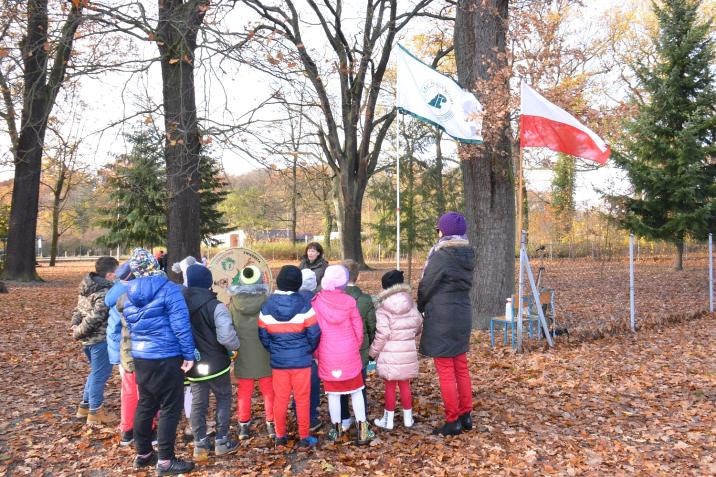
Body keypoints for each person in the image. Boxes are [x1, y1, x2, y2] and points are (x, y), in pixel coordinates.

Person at [123, 248, 196, 475]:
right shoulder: (170, 290)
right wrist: (189, 354)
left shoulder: (128, 295)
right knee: (169, 407)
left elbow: (133, 325)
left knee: (146, 403)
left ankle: (143, 453)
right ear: (155, 265)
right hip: (166, 355)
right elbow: (181, 325)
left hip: (142, 355)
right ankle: (165, 460)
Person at [418, 212, 475, 436]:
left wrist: (420, 305)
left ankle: (453, 420)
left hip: (442, 315)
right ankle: (465, 414)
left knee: (446, 370)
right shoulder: (468, 253)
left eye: (439, 228)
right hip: (462, 312)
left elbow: (427, 284)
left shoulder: (442, 255)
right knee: (460, 366)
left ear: (444, 231)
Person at [258, 265, 321, 449]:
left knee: (280, 399)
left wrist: (275, 349)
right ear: (298, 284)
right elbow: (314, 333)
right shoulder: (304, 305)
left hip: (279, 362)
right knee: (302, 399)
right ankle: (303, 436)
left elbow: (263, 334)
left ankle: (280, 435)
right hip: (302, 361)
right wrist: (307, 350)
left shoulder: (267, 305)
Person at [183, 264, 241, 461]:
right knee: (223, 397)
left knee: (198, 403)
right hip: (216, 364)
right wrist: (235, 346)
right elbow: (226, 337)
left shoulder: (179, 304)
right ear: (208, 282)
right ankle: (221, 441)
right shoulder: (215, 305)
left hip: (192, 362)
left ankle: (200, 445)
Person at [313, 265, 374, 445]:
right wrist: (354, 346)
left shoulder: (317, 301)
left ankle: (337, 429)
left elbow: (314, 330)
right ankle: (363, 430)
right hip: (348, 351)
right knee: (356, 391)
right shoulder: (349, 301)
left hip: (327, 351)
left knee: (333, 393)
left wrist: (317, 353)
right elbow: (358, 328)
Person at [369, 270, 423, 430]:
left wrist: (372, 352)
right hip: (407, 351)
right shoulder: (411, 304)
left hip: (389, 354)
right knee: (405, 385)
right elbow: (419, 324)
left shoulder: (383, 308)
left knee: (390, 386)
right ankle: (408, 419)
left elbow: (382, 334)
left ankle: (388, 420)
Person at [228, 266, 275, 441]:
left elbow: (229, 328)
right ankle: (272, 422)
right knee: (269, 390)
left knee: (244, 391)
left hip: (243, 352)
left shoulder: (233, 303)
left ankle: (243, 425)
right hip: (264, 351)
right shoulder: (268, 300)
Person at [72, 256, 120, 426]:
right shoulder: (104, 292)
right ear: (109, 275)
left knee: (95, 373)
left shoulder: (87, 287)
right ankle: (95, 412)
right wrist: (77, 330)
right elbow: (95, 318)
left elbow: (78, 310)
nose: (118, 276)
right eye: (116, 273)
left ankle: (85, 406)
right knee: (100, 375)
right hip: (100, 340)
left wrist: (75, 324)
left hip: (88, 341)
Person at [105, 262, 141, 445]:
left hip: (123, 351)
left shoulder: (116, 297)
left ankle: (127, 429)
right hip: (137, 351)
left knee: (128, 391)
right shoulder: (135, 297)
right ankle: (145, 429)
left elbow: (114, 329)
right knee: (144, 392)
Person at [339, 259, 376, 432]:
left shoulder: (333, 299)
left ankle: (344, 417)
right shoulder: (365, 300)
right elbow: (371, 325)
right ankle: (362, 419)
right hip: (359, 350)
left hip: (338, 350)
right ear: (357, 276)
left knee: (340, 386)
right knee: (359, 385)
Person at [298, 268, 323, 432]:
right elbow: (318, 329)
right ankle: (311, 417)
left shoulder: (294, 300)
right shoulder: (317, 301)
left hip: (295, 352)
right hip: (312, 352)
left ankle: (298, 413)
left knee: (299, 387)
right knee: (313, 385)